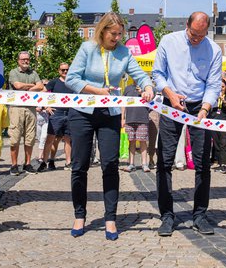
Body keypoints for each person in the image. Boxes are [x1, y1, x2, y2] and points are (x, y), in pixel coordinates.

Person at [65, 12, 154, 240]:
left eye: (120, 34)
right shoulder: (87, 48)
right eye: (113, 33)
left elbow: (140, 75)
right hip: (82, 112)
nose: (116, 38)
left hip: (110, 113)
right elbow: (71, 79)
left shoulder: (124, 53)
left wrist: (147, 86)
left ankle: (110, 219)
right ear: (102, 31)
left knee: (110, 165)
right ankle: (79, 215)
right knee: (80, 164)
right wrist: (97, 91)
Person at [152, 11, 222, 237]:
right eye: (193, 34)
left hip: (200, 107)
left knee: (202, 163)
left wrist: (205, 109)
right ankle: (167, 216)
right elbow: (157, 74)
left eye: (201, 36)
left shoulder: (214, 49)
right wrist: (170, 94)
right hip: (171, 102)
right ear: (186, 26)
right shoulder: (168, 41)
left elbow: (213, 85)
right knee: (165, 161)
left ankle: (200, 215)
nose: (196, 39)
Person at [8, 51, 44, 175]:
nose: (25, 61)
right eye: (23, 59)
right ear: (18, 60)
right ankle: (14, 165)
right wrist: (31, 85)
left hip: (31, 109)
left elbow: (40, 87)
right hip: (16, 108)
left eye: (27, 59)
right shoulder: (13, 72)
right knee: (15, 138)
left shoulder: (33, 73)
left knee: (30, 138)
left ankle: (27, 164)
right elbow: (17, 85)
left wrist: (27, 87)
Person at [41, 63, 73, 170]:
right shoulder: (54, 82)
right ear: (59, 71)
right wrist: (46, 106)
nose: (65, 72)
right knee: (51, 138)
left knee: (68, 139)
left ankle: (68, 162)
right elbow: (43, 93)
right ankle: (45, 162)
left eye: (67, 70)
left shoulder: (73, 82)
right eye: (63, 70)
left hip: (70, 113)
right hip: (56, 113)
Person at [121, 84, 151, 172]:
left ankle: (144, 164)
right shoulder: (127, 88)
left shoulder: (147, 89)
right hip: (130, 119)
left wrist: (142, 92)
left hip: (142, 119)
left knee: (143, 141)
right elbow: (123, 103)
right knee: (131, 141)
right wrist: (122, 118)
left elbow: (151, 101)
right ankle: (131, 164)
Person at [210, 78, 226, 174]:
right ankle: (219, 163)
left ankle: (223, 165)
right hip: (215, 122)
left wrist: (224, 101)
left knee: (224, 143)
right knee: (217, 143)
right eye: (219, 87)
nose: (221, 89)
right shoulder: (213, 96)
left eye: (222, 87)